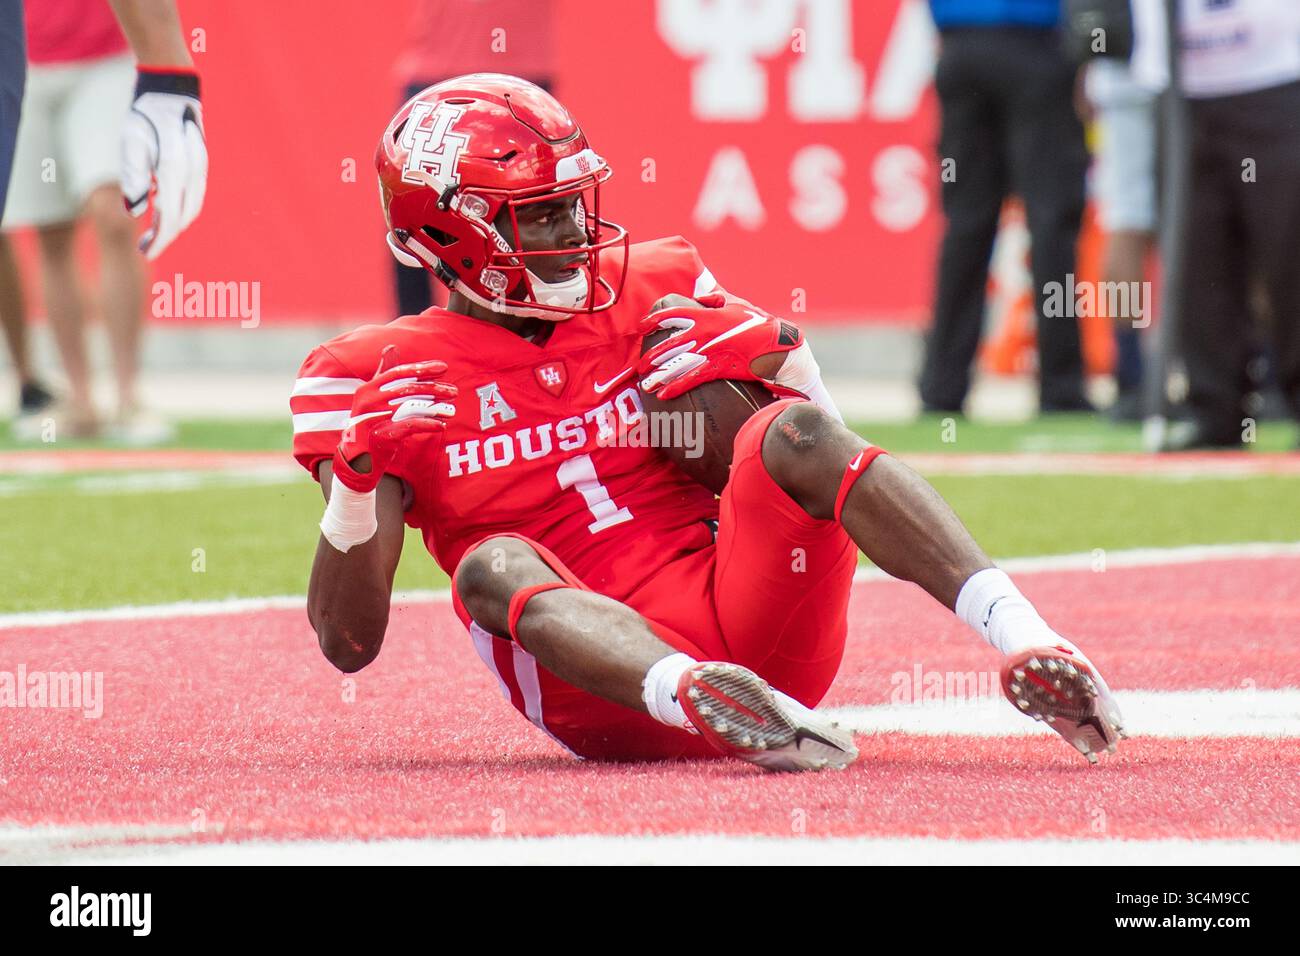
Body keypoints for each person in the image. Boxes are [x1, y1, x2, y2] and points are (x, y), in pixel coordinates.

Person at [291, 75, 1125, 770]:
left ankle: (1027, 635)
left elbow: (827, 464)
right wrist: (358, 486)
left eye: (577, 205)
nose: (578, 235)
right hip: (610, 699)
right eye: (541, 215)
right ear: (450, 235)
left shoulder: (656, 282)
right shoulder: (373, 373)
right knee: (491, 562)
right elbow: (347, 644)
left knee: (784, 432)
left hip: (757, 619)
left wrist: (796, 369)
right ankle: (703, 698)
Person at [0, 0, 206, 432]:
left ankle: (129, 396)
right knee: (50, 232)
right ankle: (81, 400)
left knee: (113, 211)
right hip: (22, 57)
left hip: (105, 56)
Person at [1131, 0, 1300, 449]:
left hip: (1274, 75)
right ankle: (1215, 405)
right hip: (1182, 87)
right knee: (1198, 254)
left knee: (1288, 249)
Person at [918, 0, 1092, 415]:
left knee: (966, 227)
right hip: (1035, 47)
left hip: (962, 47)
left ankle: (942, 387)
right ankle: (1061, 387)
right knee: (1051, 225)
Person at [389, 0, 554, 317]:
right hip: (437, 71)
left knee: (529, 215)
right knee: (411, 214)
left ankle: (528, 326)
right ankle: (414, 335)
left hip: (522, 73)